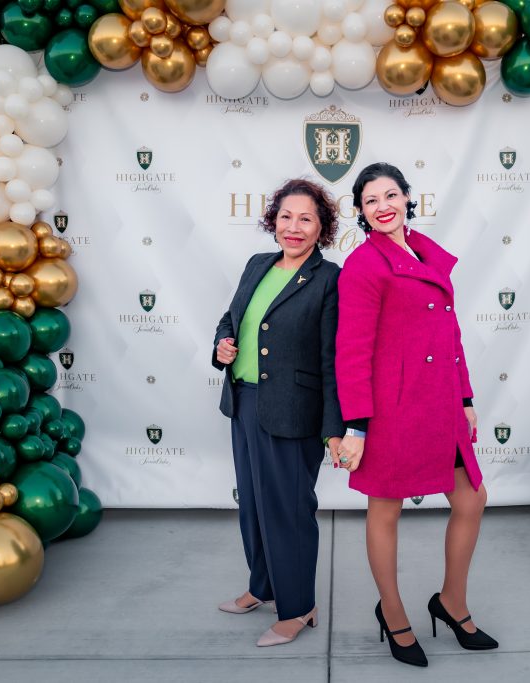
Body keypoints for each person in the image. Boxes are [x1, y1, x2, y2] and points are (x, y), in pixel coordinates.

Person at [334, 162, 498, 667]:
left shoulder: (426, 253)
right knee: (385, 510)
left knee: (471, 499)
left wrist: (466, 399)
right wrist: (355, 425)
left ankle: (451, 602)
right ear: (361, 213)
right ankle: (394, 611)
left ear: (408, 198)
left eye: (390, 195)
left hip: (441, 403)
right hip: (391, 409)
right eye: (370, 201)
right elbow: (352, 351)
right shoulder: (364, 265)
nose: (382, 206)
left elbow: (450, 337)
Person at [212, 178, 343, 647]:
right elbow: (232, 318)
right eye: (286, 216)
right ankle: (262, 587)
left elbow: (333, 360)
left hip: (294, 413)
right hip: (244, 402)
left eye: (306, 218)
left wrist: (335, 430)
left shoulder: (329, 279)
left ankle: (298, 606)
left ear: (321, 227)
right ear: (273, 221)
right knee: (252, 505)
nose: (294, 226)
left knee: (288, 511)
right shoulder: (256, 265)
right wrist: (222, 346)